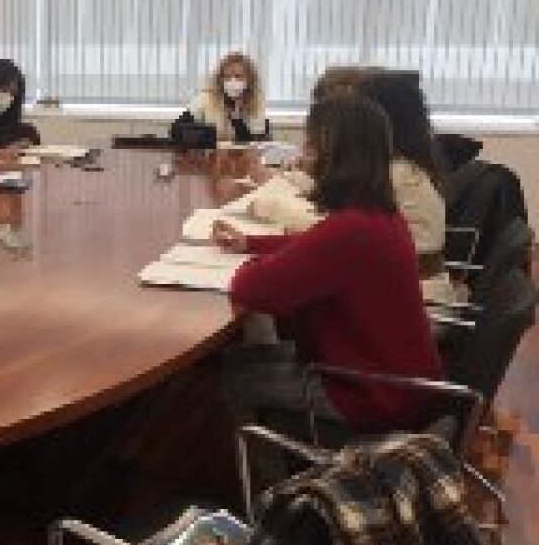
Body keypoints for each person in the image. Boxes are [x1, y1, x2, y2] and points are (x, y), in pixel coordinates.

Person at [214, 91, 442, 438]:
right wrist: (251, 243)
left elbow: (250, 288)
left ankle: (274, 468)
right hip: (400, 383)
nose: (302, 159)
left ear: (334, 157)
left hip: (371, 396)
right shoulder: (378, 215)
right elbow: (315, 247)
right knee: (255, 352)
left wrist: (255, 262)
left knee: (236, 376)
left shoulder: (350, 230)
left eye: (309, 148)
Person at [248, 68, 456, 303]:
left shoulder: (392, 175)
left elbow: (331, 229)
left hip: (411, 298)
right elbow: (333, 212)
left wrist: (267, 207)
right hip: (401, 287)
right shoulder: (403, 166)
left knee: (276, 298)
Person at [177, 51, 269, 143]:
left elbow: (257, 140)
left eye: (238, 76)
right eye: (227, 76)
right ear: (220, 79)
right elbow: (178, 130)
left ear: (250, 80)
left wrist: (237, 118)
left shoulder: (256, 103)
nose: (233, 81)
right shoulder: (205, 100)